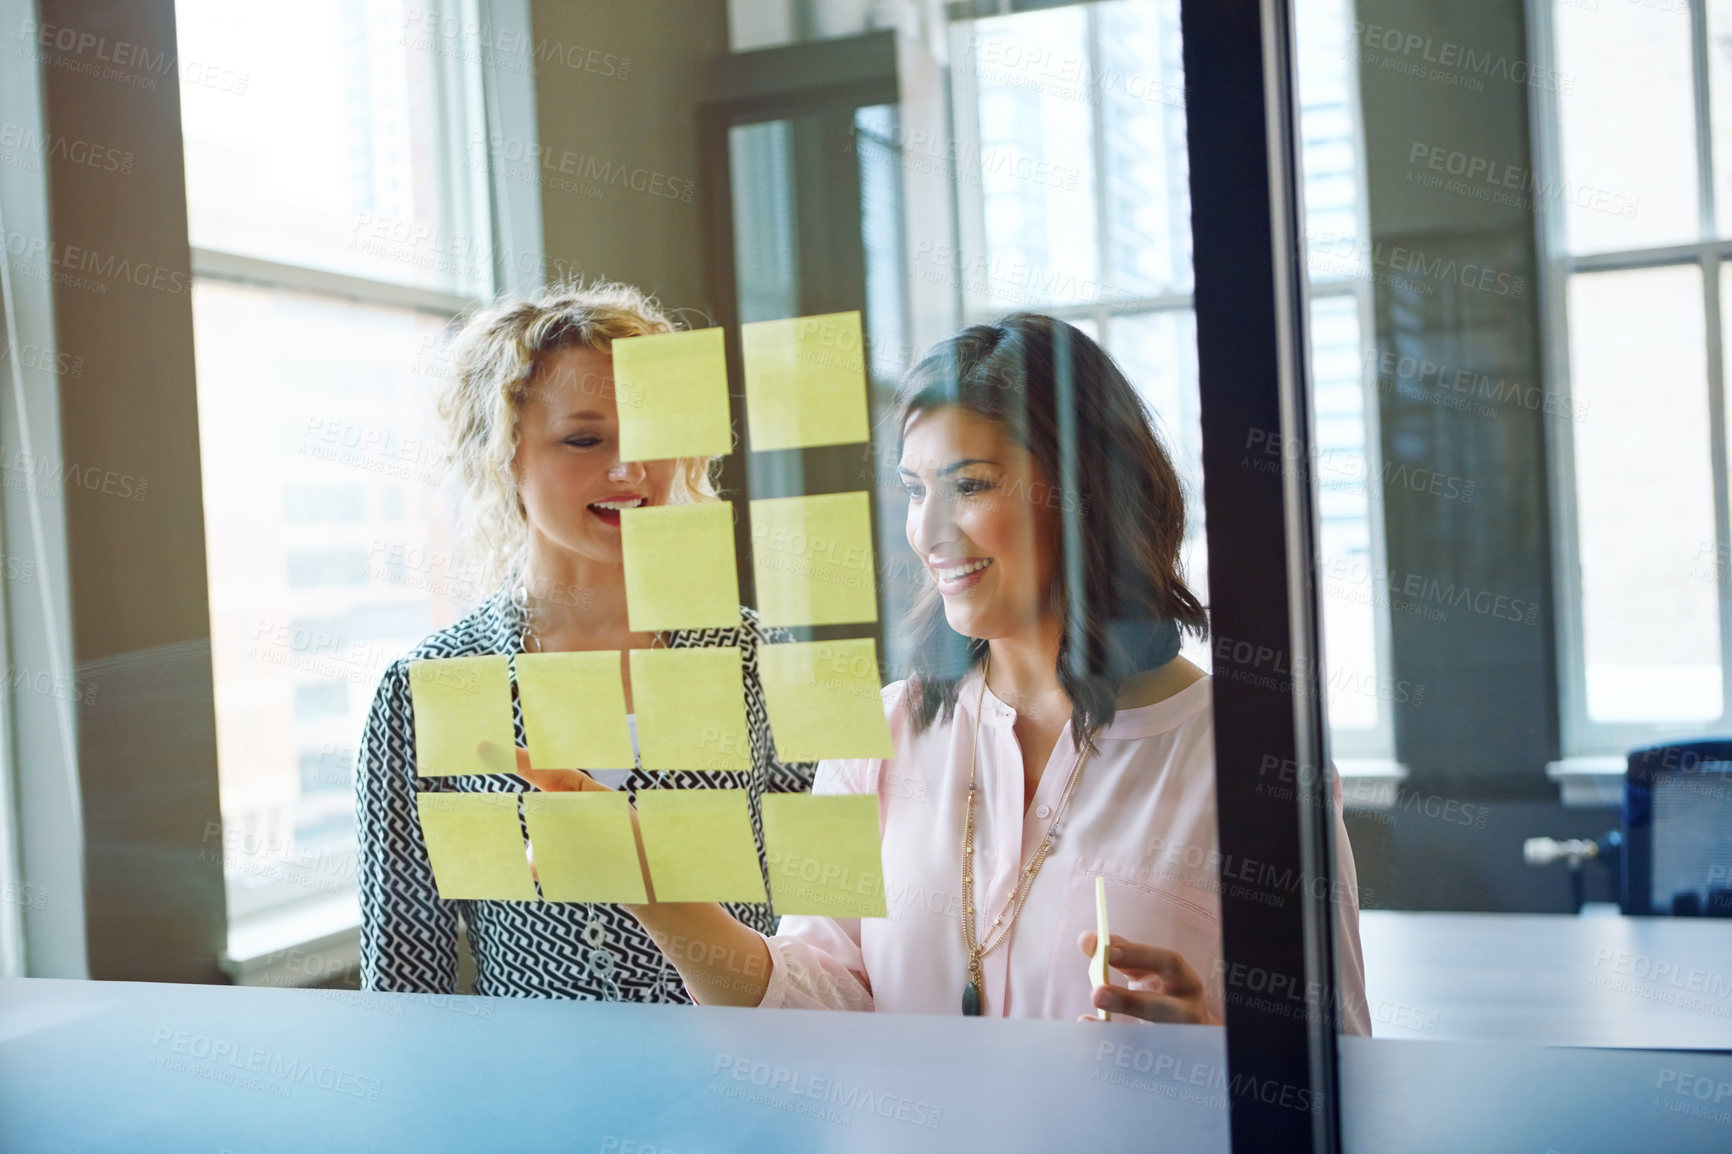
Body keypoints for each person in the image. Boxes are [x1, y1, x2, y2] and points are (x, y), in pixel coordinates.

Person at [526, 312, 1370, 1029]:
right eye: (912, 489)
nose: (929, 532)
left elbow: (1335, 1069)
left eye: (968, 485)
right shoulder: (883, 729)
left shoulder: (1254, 757)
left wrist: (1216, 1045)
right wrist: (653, 889)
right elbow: (816, 1008)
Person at [356, 280, 813, 999]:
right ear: (502, 453)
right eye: (586, 439)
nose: (631, 471)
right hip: (542, 1103)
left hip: (752, 1086)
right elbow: (406, 989)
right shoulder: (431, 690)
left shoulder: (762, 664)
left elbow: (827, 946)